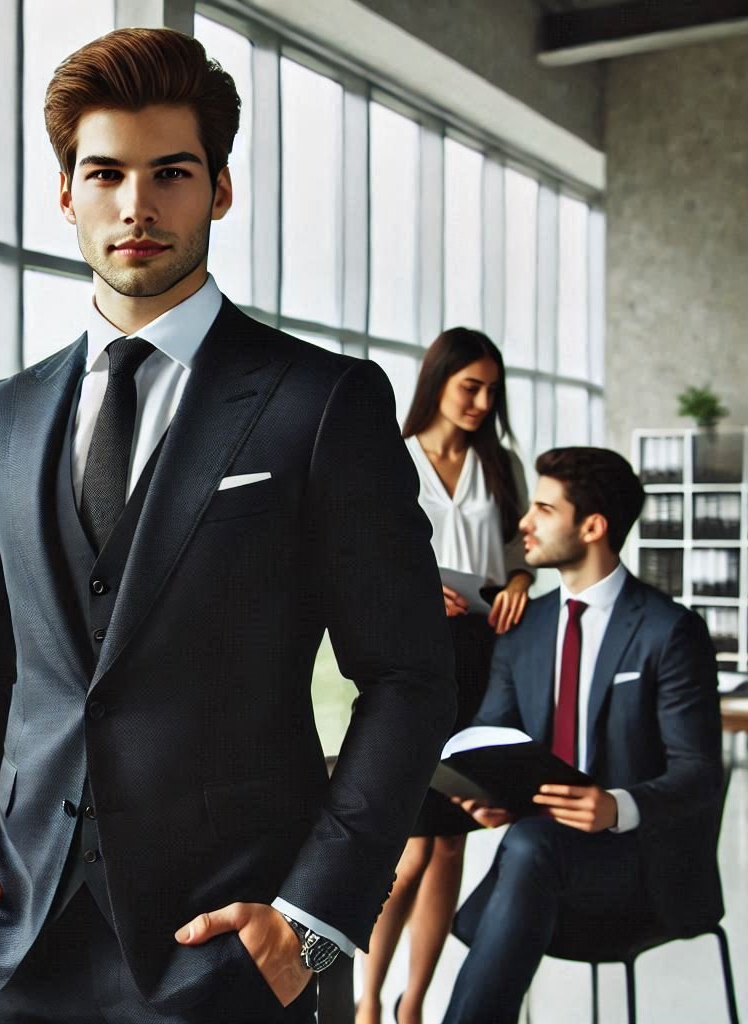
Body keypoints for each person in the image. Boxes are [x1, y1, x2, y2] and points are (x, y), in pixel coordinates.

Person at [0, 27, 456, 1024]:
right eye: (105, 173)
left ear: (218, 189)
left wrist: (310, 918)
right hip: (22, 934)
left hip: (233, 942)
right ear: (65, 193)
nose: (136, 206)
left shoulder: (321, 402)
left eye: (170, 173)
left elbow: (407, 675)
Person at [442, 447, 723, 1024]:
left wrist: (615, 807)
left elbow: (699, 773)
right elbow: (487, 737)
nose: (524, 523)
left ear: (593, 527)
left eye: (543, 509)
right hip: (545, 862)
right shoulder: (524, 633)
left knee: (529, 847)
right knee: (529, 844)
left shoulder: (671, 632)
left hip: (646, 866)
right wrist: (487, 795)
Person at [357, 328, 532, 1024]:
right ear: (440, 382)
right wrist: (415, 589)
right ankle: (368, 999)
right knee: (409, 847)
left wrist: (519, 580)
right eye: (471, 387)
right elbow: (364, 561)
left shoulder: (501, 464)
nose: (483, 402)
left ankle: (412, 1006)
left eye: (492, 391)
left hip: (485, 656)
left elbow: (520, 549)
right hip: (416, 657)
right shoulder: (391, 461)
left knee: (452, 840)